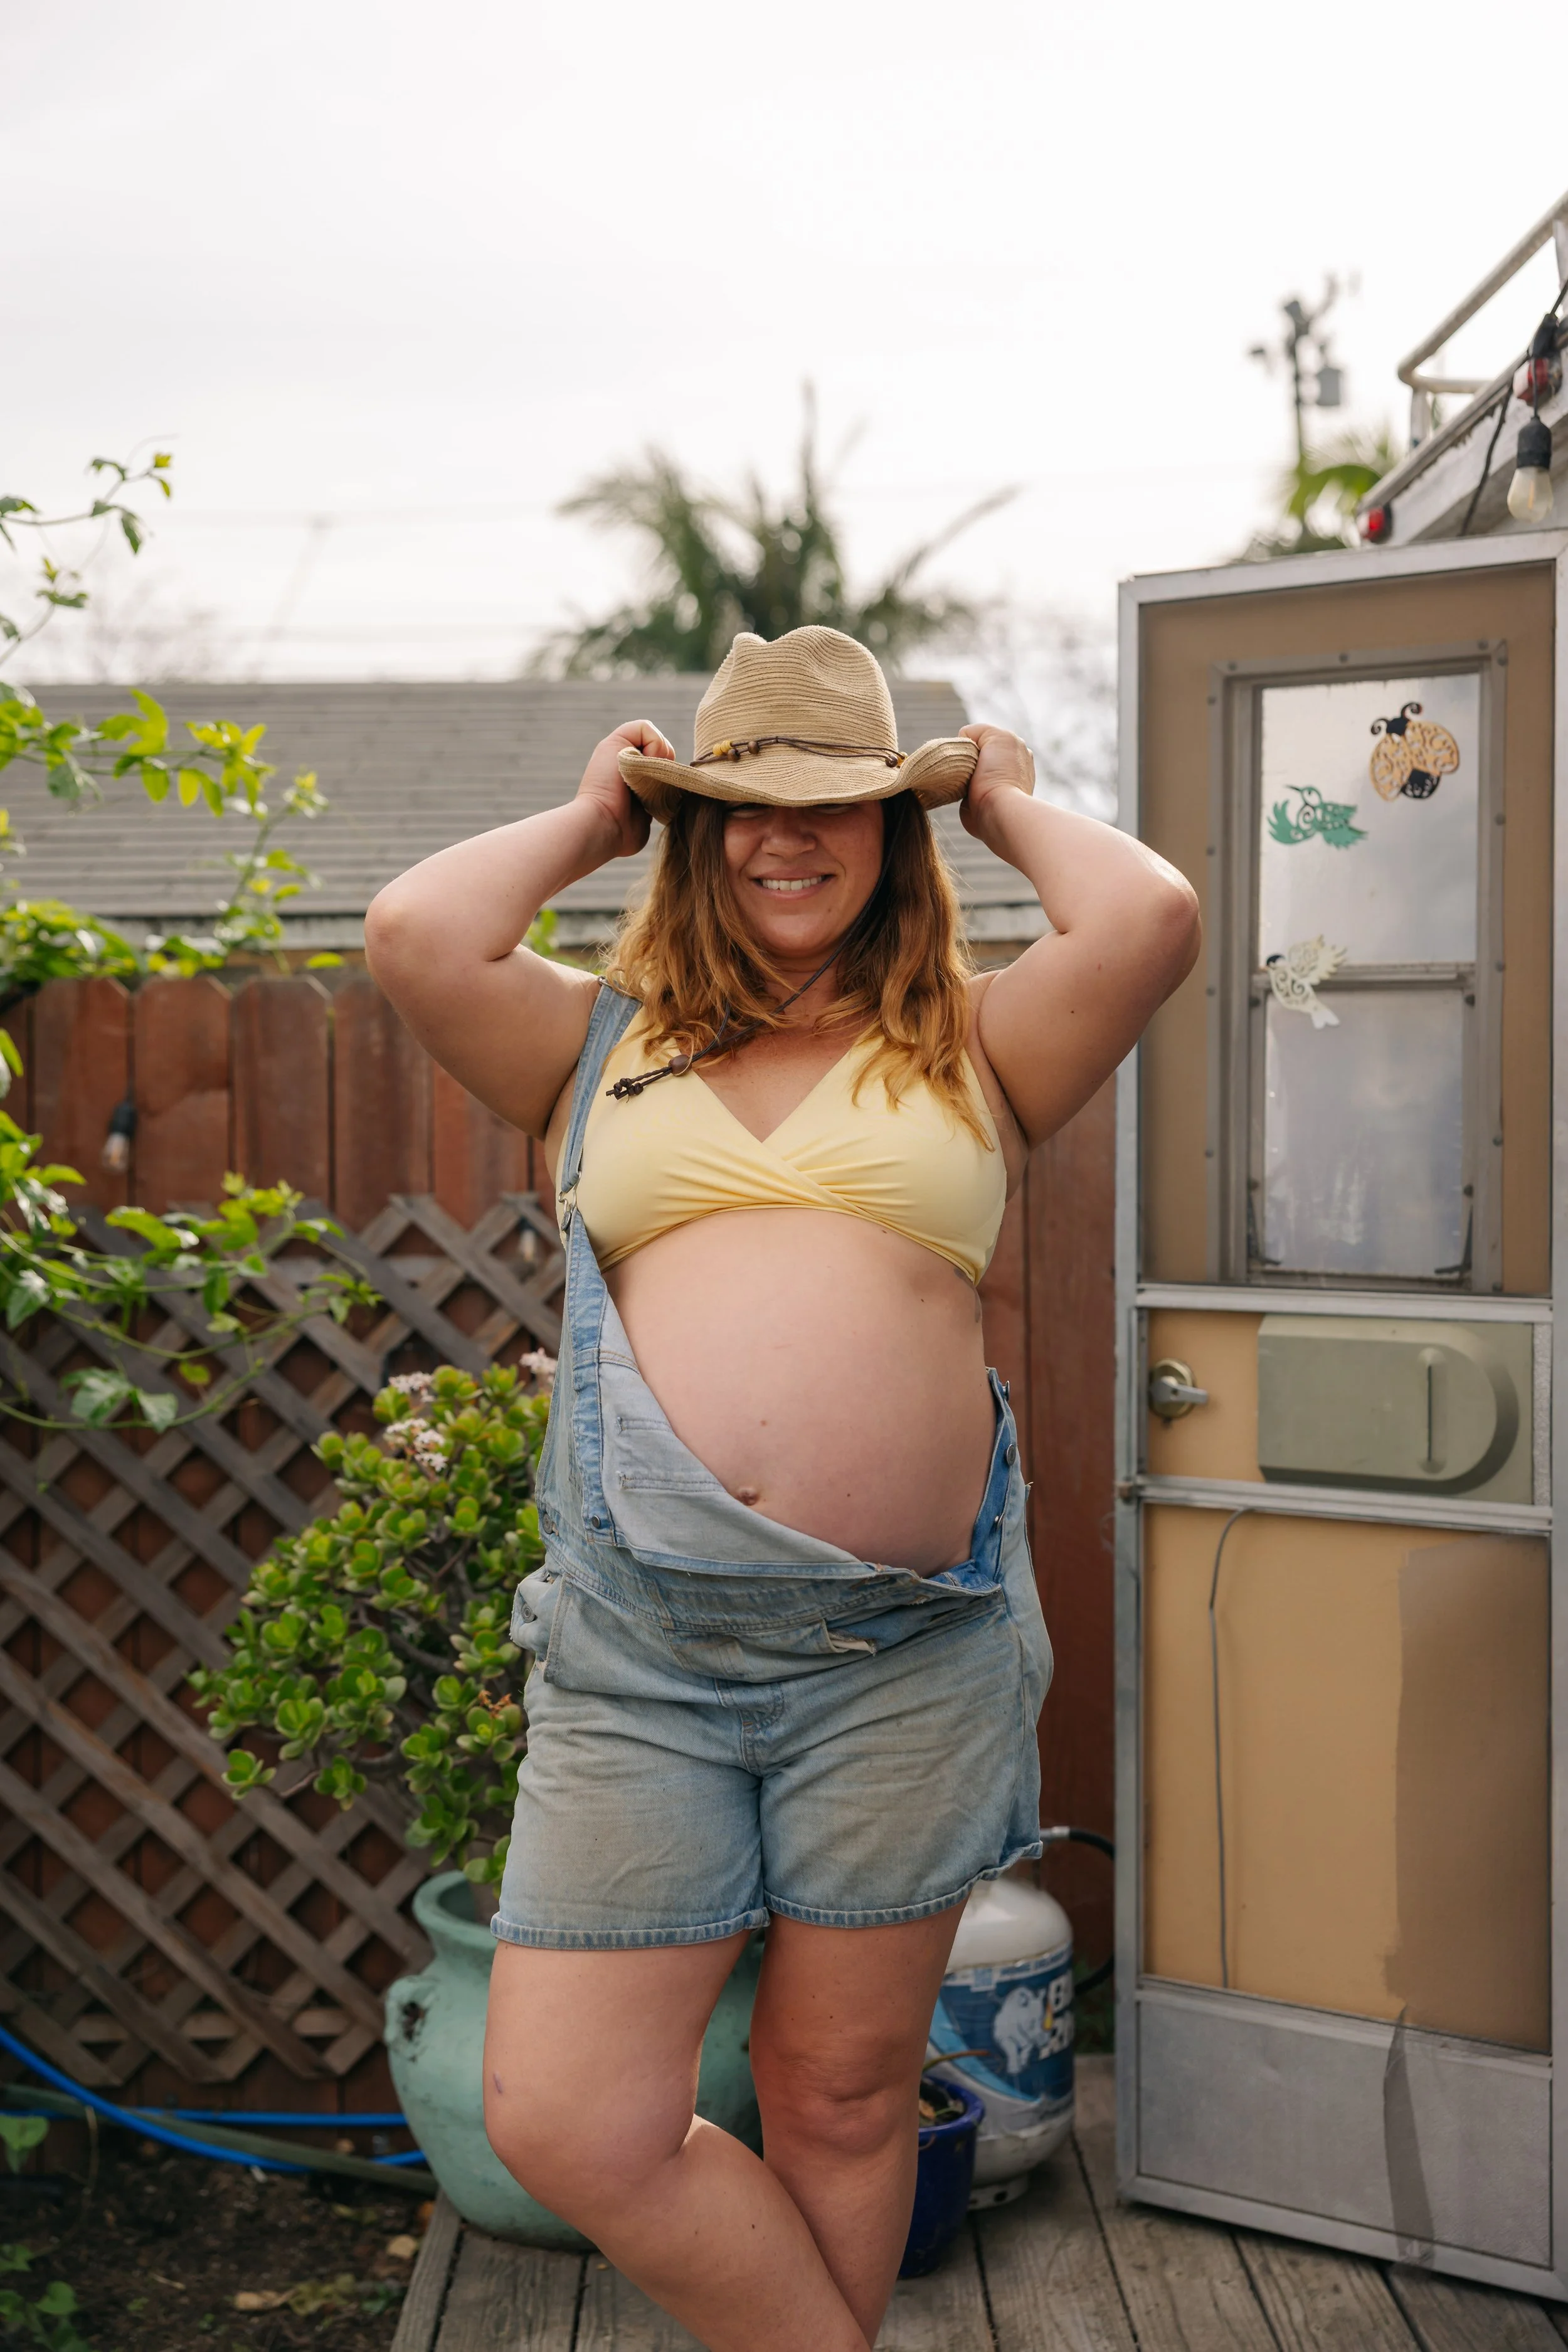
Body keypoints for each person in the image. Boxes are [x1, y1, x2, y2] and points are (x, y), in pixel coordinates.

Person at [365, 625, 1198, 2352]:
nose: (782, 838)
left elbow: (1148, 921)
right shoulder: (595, 1047)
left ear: (891, 834)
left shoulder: (976, 1047)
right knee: (569, 2112)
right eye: (736, 809)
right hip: (639, 1663)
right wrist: (600, 810)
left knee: (837, 2094)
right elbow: (414, 933)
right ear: (691, 834)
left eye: (833, 804)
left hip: (897, 1669)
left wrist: (993, 796)